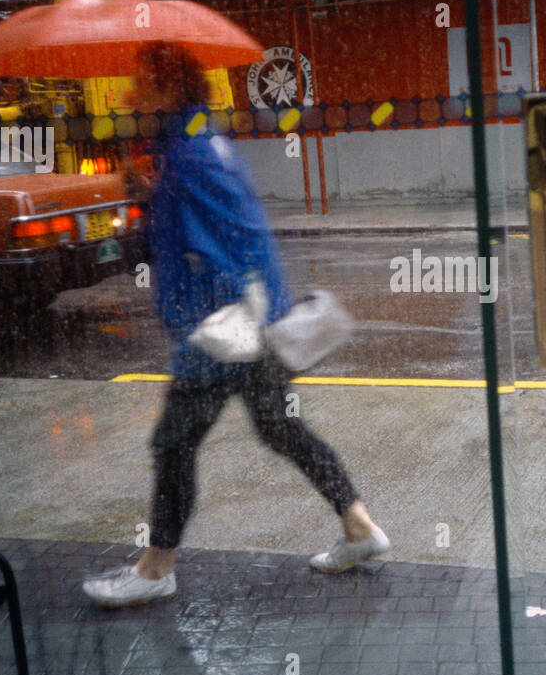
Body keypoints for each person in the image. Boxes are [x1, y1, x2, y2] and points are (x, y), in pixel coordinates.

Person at [83, 41, 388, 608]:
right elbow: (215, 225)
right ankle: (359, 527)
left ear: (170, 91)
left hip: (222, 334)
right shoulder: (196, 147)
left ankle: (156, 569)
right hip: (243, 326)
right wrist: (150, 196)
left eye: (141, 84)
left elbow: (229, 242)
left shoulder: (191, 156)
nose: (129, 94)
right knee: (279, 430)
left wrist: (222, 328)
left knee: (173, 443)